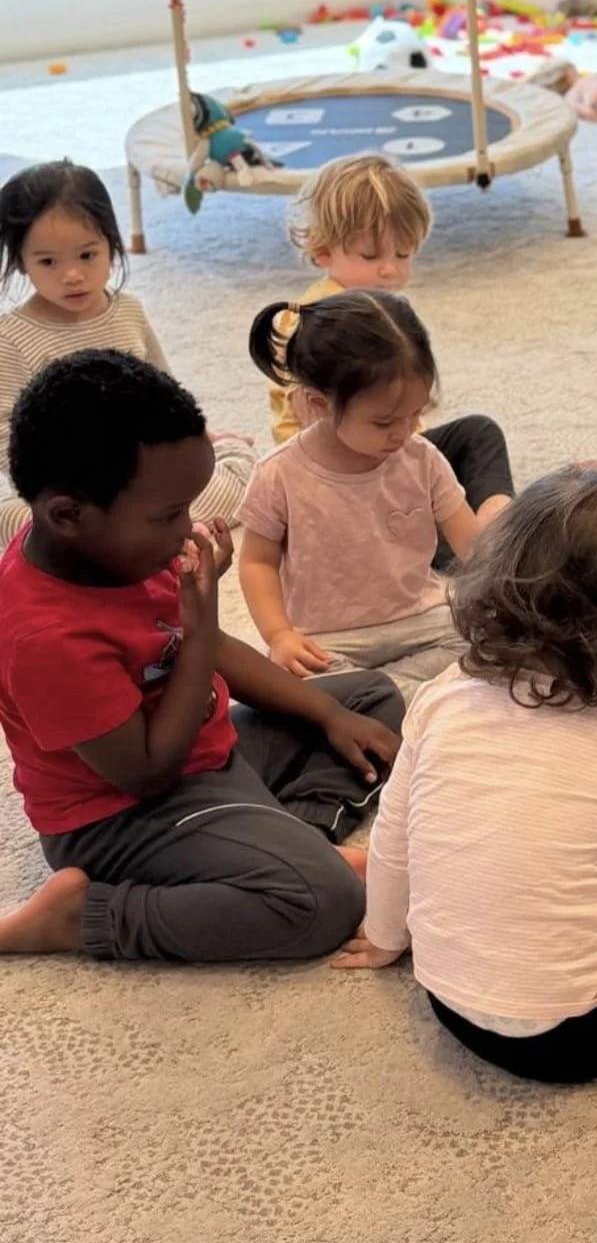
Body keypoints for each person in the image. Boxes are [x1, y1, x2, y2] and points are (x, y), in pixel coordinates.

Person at [0, 349, 404, 963]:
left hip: (206, 750)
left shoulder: (116, 549)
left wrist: (326, 715)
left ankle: (288, 837)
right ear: (68, 515)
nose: (185, 529)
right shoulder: (43, 637)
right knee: (322, 902)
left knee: (368, 700)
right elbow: (148, 771)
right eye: (168, 515)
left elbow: (210, 650)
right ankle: (81, 920)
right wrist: (200, 621)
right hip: (122, 814)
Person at [332, 468, 597, 1085]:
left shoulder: (440, 697)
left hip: (451, 1007)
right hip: (582, 1032)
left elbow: (393, 840)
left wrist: (385, 937)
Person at [267, 153, 513, 562]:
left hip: (398, 448)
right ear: (323, 252)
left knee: (479, 433)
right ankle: (461, 544)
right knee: (395, 525)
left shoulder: (387, 311)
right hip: (342, 470)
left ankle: (496, 518)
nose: (390, 270)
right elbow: (306, 419)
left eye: (403, 254)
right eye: (371, 256)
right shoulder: (315, 320)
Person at [0, 160, 255, 548]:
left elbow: (165, 393)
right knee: (18, 520)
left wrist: (194, 438)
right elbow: (5, 434)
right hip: (67, 489)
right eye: (48, 261)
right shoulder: (12, 337)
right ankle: (134, 530)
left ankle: (223, 456)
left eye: (87, 255)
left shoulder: (128, 312)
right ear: (21, 260)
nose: (72, 275)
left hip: (143, 474)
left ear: (110, 243)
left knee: (237, 486)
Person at [240, 290, 480, 700]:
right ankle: (412, 697)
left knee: (482, 641)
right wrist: (279, 635)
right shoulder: (278, 474)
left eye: (417, 413)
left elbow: (474, 546)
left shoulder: (422, 457)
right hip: (329, 639)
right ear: (319, 404)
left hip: (420, 621)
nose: (405, 431)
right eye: (384, 422)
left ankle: (384, 696)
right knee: (297, 680)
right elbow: (257, 562)